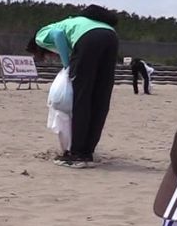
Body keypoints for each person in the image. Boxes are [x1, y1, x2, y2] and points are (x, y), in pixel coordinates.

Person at [26, 10, 119, 168]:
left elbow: (57, 35)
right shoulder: (76, 23)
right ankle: (87, 151)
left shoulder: (41, 34)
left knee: (82, 99)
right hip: (111, 37)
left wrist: (66, 65)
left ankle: (77, 154)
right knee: (100, 98)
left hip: (88, 39)